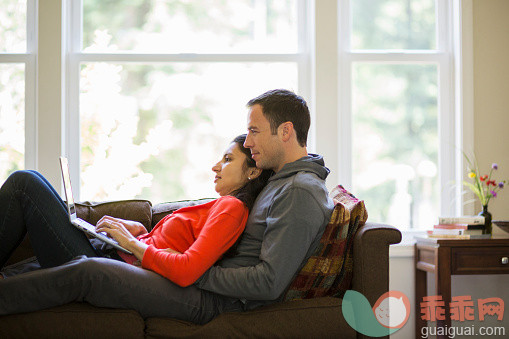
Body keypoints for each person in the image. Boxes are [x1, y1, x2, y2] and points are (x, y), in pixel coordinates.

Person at [0, 89, 335, 325]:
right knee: (34, 195)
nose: (247, 141)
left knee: (89, 269)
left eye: (254, 131)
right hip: (195, 282)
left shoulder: (300, 191)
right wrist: (156, 248)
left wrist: (187, 271)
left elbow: (268, 283)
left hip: (213, 300)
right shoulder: (276, 182)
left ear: (286, 131)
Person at [0, 134, 271, 288]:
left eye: (227, 159)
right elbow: (173, 247)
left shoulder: (232, 208)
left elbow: (187, 269)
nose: (215, 166)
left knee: (25, 183)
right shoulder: (221, 205)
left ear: (253, 171)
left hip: (109, 268)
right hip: (110, 254)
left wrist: (131, 244)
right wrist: (140, 233)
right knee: (35, 183)